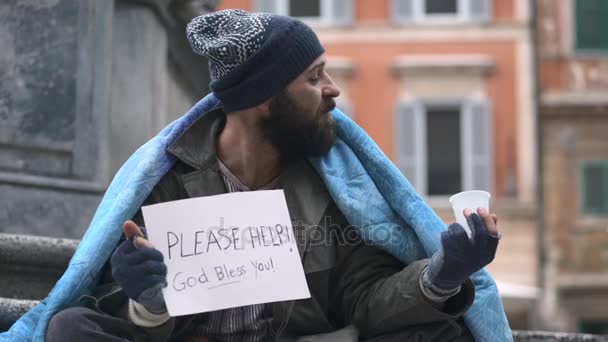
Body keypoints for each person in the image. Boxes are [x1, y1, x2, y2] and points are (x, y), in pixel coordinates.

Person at [45, 9, 500, 342]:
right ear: (264, 99)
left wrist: (442, 274)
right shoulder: (166, 182)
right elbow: (122, 313)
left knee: (440, 332)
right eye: (314, 77)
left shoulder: (335, 189)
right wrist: (147, 299)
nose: (332, 89)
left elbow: (363, 299)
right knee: (71, 328)